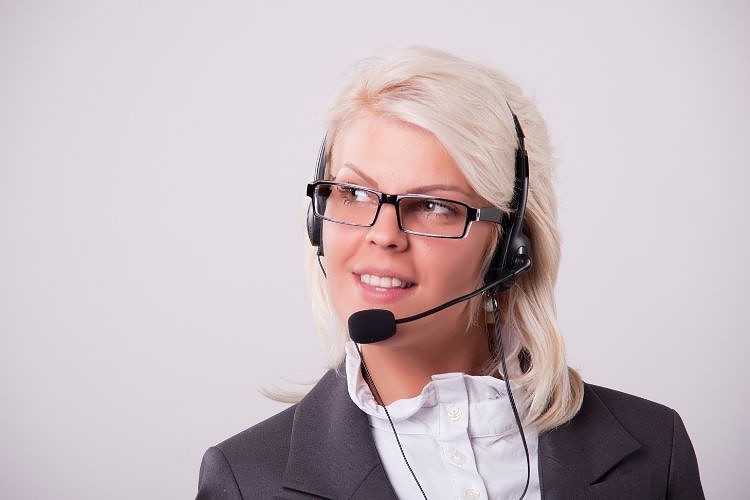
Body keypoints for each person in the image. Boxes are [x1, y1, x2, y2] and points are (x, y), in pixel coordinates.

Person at [196, 47, 704, 499]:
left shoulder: (656, 449)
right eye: (353, 194)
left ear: (510, 244)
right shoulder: (245, 479)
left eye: (434, 205)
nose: (383, 234)